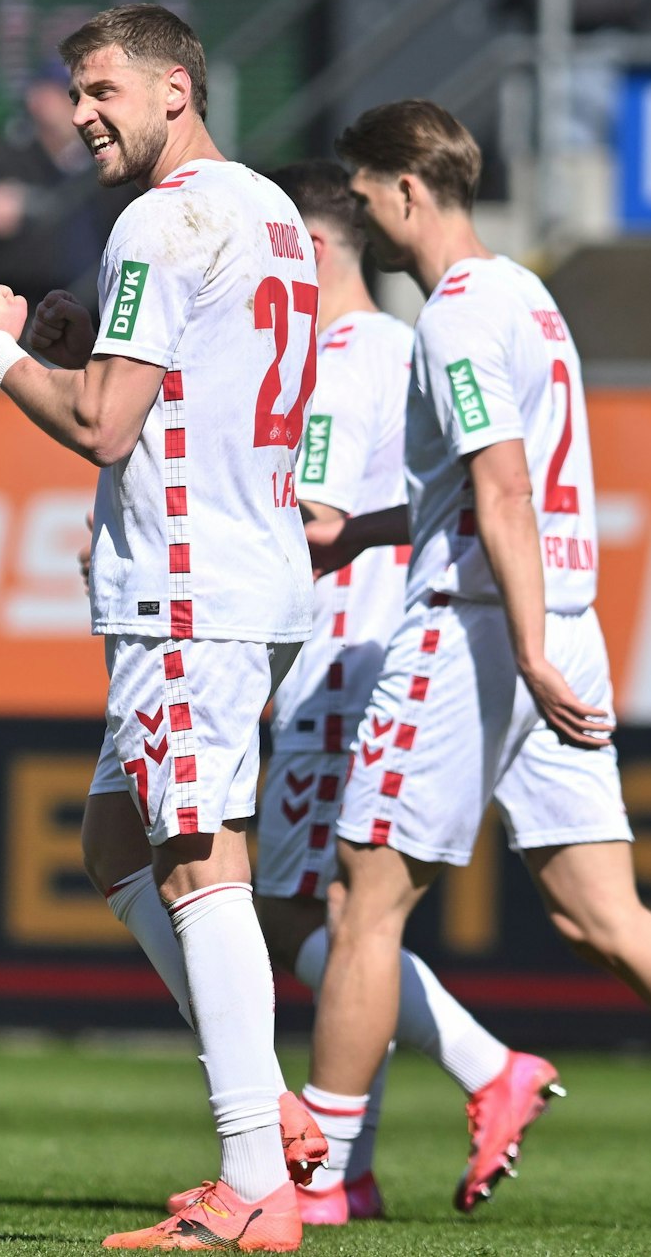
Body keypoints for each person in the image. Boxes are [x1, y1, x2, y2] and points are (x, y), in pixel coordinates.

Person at [316, 98, 651, 1234]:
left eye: (362, 196)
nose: (359, 218)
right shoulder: (530, 299)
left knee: (361, 901)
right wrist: (364, 534)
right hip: (561, 618)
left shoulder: (455, 316)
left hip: (481, 631)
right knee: (603, 912)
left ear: (406, 188)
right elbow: (482, 490)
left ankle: (321, 1177)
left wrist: (524, 649)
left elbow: (501, 486)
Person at [0, 4, 321, 1252]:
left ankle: (252, 1178)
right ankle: (263, 1098)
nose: (80, 114)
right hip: (251, 569)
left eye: (101, 89)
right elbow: (191, 371)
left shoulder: (157, 218)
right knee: (114, 837)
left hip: (187, 584)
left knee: (191, 857)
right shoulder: (269, 210)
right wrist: (87, 341)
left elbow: (103, 424)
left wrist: (0, 352)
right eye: (74, 93)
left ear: (177, 89)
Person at [240, 160, 552, 1223]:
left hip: (336, 660)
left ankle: (484, 1065)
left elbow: (316, 520)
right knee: (345, 916)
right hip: (384, 646)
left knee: (297, 916)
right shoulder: (403, 344)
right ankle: (352, 1168)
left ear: (313, 248)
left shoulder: (334, 360)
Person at [0, 62, 130, 310]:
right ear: (37, 99)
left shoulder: (112, 159)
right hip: (27, 306)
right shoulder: (2, 158)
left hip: (102, 306)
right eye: (68, 95)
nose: (78, 106)